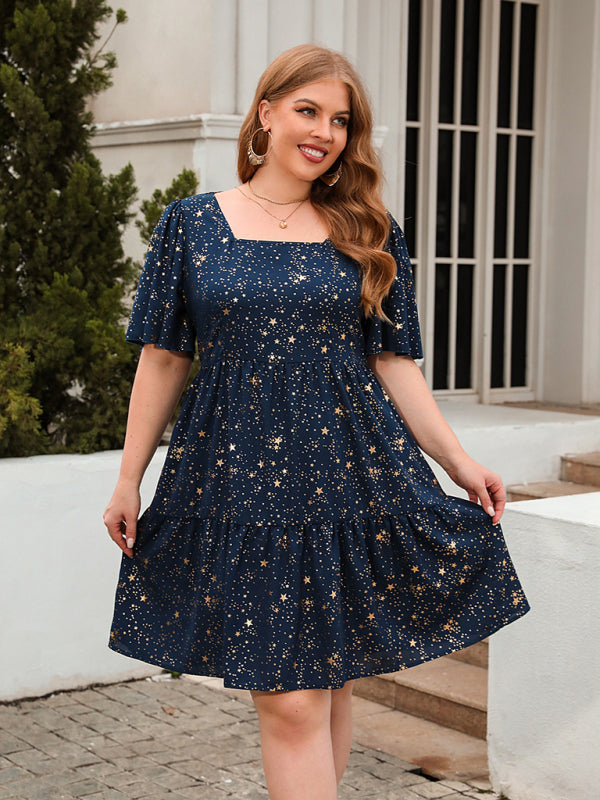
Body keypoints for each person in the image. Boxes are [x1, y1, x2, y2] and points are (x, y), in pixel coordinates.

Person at [103, 43, 529, 800]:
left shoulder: (366, 227)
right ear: (266, 113)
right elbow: (164, 358)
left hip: (349, 475)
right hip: (239, 481)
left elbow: (393, 362)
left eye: (341, 121)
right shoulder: (191, 224)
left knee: (327, 684)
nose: (325, 133)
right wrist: (128, 478)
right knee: (293, 698)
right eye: (309, 111)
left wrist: (459, 462)